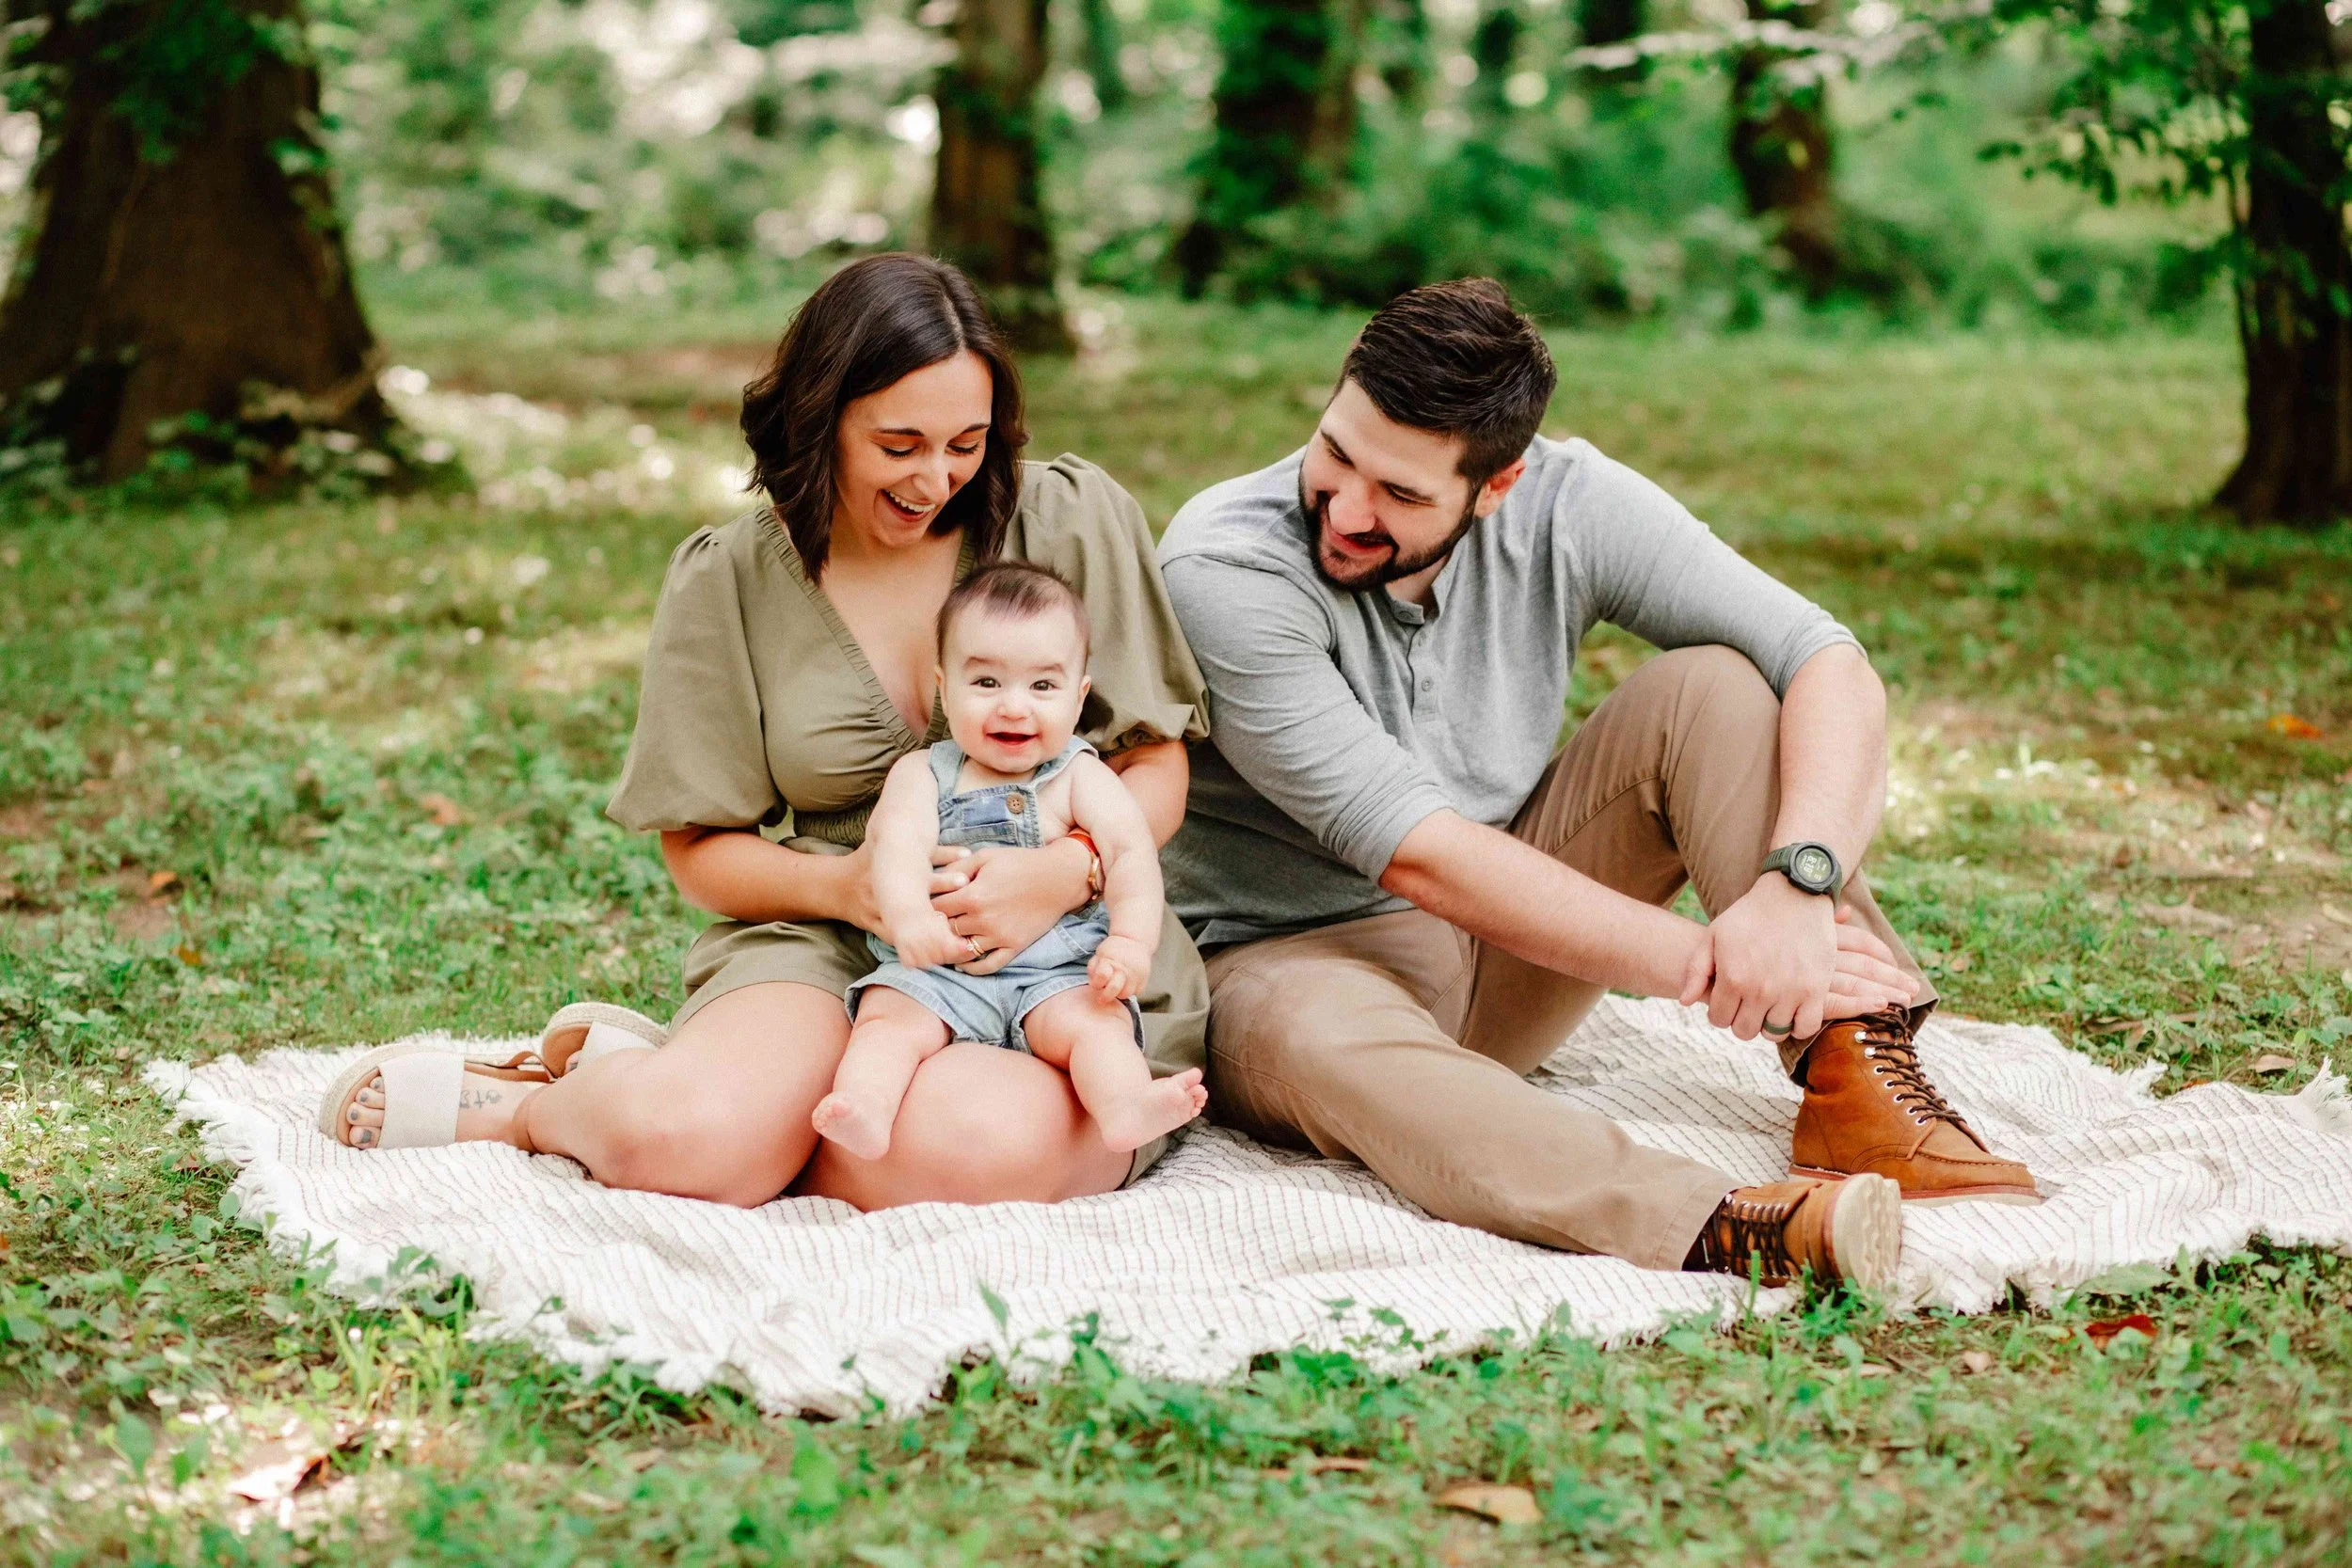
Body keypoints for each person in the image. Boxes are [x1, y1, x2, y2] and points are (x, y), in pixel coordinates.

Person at [1158, 278, 2039, 1291]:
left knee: (1716, 685)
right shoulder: (1223, 567)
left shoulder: (1568, 504)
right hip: (1284, 964)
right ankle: (1723, 1220)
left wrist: (1797, 888)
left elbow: (1825, 657)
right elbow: (1417, 851)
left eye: (1401, 495)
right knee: (1320, 1034)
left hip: (1501, 953)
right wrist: (1717, 960)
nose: (1348, 508)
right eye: (1335, 453)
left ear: (1498, 486)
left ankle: (1859, 1084)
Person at [318, 253, 1211, 1211]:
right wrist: (853, 887)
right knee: (683, 1139)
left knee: (971, 1149)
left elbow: (1153, 758)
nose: (937, 479)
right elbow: (699, 849)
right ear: (820, 418)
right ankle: (546, 1104)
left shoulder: (1071, 518)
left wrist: (1064, 869)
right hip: (828, 931)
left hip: (1071, 951)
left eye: (967, 442)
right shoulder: (728, 579)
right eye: (899, 443)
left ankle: (752, 1121)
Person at [813, 562, 1208, 1160]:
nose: (1014, 708)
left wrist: (1130, 941)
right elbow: (894, 847)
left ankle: (1125, 1106)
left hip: (1057, 974)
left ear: (1080, 699)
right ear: (944, 689)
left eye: (1042, 687)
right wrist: (909, 918)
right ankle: (864, 1108)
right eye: (988, 684)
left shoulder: (1082, 776)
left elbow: (1129, 853)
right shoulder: (922, 773)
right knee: (886, 1022)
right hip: (938, 974)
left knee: (1097, 1028)